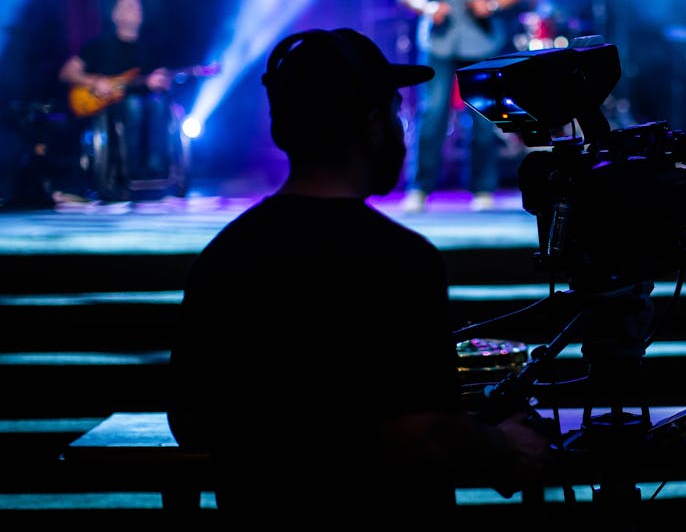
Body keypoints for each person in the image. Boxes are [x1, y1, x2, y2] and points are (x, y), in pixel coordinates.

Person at [166, 28, 551, 525]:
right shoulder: (402, 261)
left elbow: (190, 423)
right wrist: (502, 445)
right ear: (370, 123)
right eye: (393, 111)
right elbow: (422, 430)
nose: (399, 127)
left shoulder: (223, 258)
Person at [395, 0, 523, 213]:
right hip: (439, 42)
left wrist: (491, 4)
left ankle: (483, 188)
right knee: (433, 113)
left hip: (483, 41)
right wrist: (426, 7)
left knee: (484, 118)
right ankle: (420, 188)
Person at [58, 0, 172, 202]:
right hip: (107, 109)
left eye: (138, 6)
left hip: (147, 108)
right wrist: (95, 82)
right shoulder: (99, 46)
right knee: (132, 107)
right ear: (115, 15)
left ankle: (153, 170)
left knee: (155, 104)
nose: (135, 10)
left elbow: (163, 82)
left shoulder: (150, 50)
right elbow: (66, 73)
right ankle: (127, 170)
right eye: (128, 6)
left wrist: (160, 82)